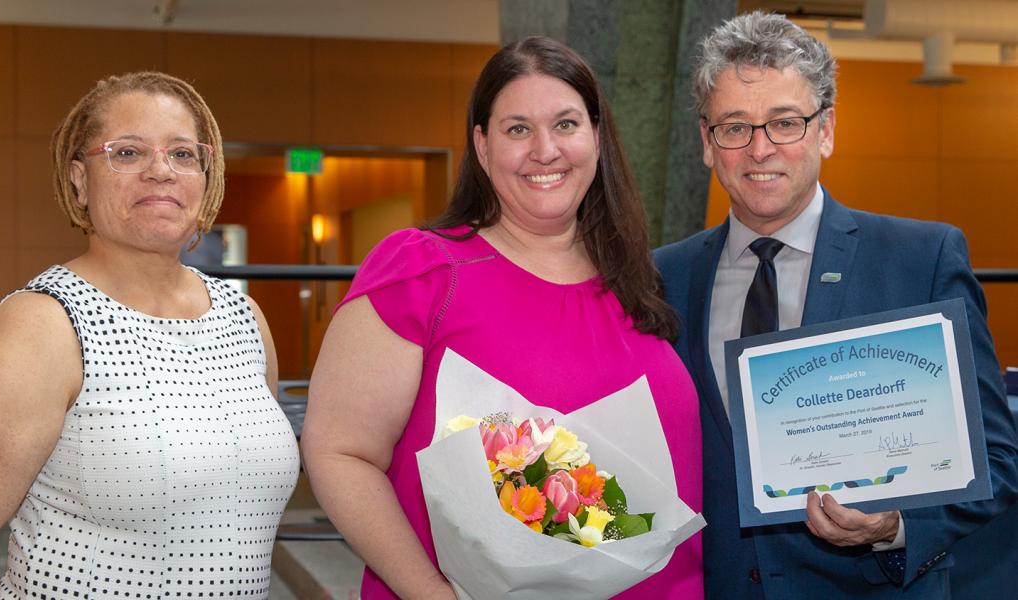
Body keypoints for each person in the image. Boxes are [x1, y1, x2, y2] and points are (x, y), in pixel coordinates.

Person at [304, 36, 703, 599]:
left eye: (566, 124)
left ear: (596, 136)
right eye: (518, 129)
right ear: (482, 145)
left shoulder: (639, 279)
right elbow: (339, 452)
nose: (546, 150)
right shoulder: (422, 272)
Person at [653, 11, 1018, 599]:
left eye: (784, 123)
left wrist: (894, 526)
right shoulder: (661, 277)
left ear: (825, 130)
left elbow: (997, 461)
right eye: (734, 126)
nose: (759, 149)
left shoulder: (920, 259)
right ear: (706, 143)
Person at [0, 72, 300, 599]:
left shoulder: (245, 318)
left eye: (183, 154)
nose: (161, 171)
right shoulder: (41, 325)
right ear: (78, 179)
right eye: (128, 153)